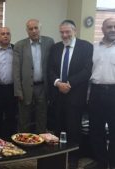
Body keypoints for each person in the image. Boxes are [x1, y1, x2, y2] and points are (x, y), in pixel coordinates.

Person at [48, 20, 93, 169]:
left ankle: (73, 158)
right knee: (58, 126)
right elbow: (50, 69)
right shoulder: (55, 48)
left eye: (67, 32)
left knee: (73, 128)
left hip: (76, 95)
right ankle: (58, 155)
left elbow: (87, 70)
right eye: (62, 32)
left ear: (75, 31)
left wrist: (69, 83)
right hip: (58, 95)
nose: (64, 35)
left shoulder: (86, 47)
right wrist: (58, 83)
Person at [13, 19, 54, 133]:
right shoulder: (19, 45)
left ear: (40, 29)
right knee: (24, 119)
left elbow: (53, 65)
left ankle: (41, 147)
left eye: (36, 28)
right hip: (25, 88)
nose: (34, 31)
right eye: (30, 29)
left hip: (43, 87)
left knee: (42, 118)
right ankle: (23, 144)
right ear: (27, 31)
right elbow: (16, 71)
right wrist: (18, 91)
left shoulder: (49, 42)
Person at [89, 18, 115, 169]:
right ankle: (101, 161)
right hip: (96, 92)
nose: (112, 29)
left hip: (114, 93)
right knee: (96, 129)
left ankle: (112, 162)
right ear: (102, 29)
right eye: (109, 27)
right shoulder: (94, 48)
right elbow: (89, 72)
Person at [0, 27, 18, 138]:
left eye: (8, 33)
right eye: (2, 34)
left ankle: (11, 143)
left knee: (11, 118)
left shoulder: (16, 49)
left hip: (12, 89)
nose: (5, 36)